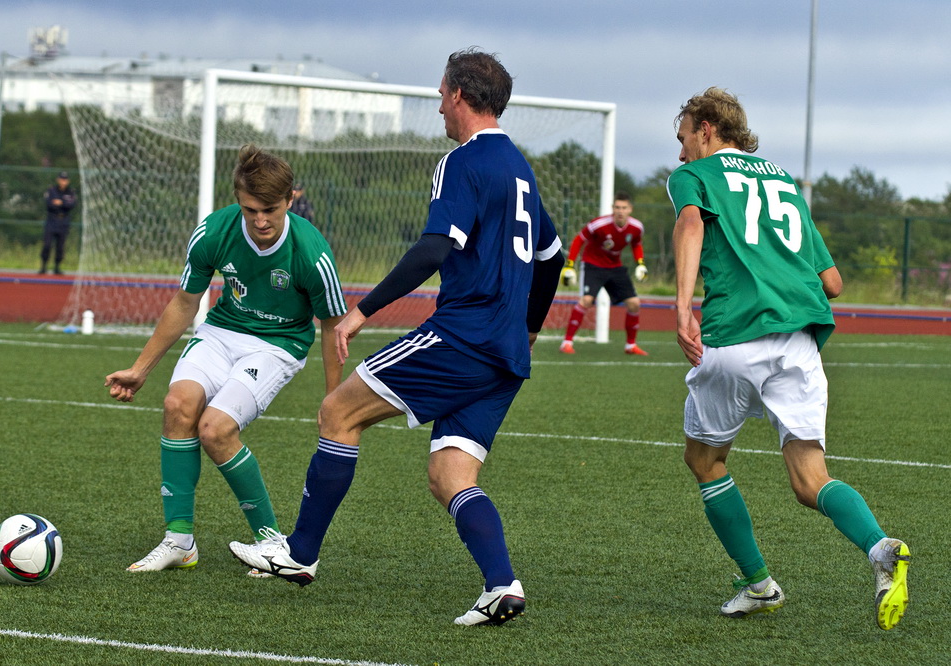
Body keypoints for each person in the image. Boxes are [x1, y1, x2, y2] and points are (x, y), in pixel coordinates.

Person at [229, 48, 565, 626]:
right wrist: (529, 328)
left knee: (338, 411)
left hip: (463, 336)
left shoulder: (461, 162)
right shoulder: (520, 168)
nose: (438, 105)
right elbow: (553, 256)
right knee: (449, 477)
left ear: (459, 95)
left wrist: (363, 311)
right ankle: (502, 585)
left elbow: (437, 248)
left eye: (440, 93)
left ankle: (299, 554)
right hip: (505, 352)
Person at [669, 87, 910, 629]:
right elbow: (833, 282)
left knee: (705, 461)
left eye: (683, 137)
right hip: (800, 342)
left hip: (734, 336)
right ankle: (879, 548)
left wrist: (684, 308)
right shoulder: (781, 180)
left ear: (706, 127)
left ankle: (759, 585)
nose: (681, 152)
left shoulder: (696, 176)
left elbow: (689, 224)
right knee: (810, 481)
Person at [104, 144, 347, 576]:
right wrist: (140, 369)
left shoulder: (311, 251)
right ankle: (179, 541)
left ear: (291, 199)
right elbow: (184, 302)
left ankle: (272, 543)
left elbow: (332, 326)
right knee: (177, 405)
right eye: (250, 209)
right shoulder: (214, 232)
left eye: (270, 209)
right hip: (220, 333)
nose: (260, 220)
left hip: (278, 345)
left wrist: (334, 401)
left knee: (215, 429)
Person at [559, 192, 649, 356]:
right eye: (617, 207)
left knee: (634, 303)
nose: (620, 211)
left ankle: (630, 346)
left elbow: (636, 244)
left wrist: (640, 263)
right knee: (586, 300)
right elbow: (579, 239)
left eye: (624, 207)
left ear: (630, 209)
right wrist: (570, 265)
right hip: (593, 265)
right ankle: (567, 342)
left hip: (615, 267)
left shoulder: (636, 227)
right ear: (612, 208)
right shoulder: (599, 224)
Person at [40, 171, 77, 275]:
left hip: (63, 221)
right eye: (61, 179)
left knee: (60, 246)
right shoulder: (52, 190)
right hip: (52, 220)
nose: (63, 182)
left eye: (65, 180)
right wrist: (62, 204)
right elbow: (49, 204)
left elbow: (72, 204)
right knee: (47, 244)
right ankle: (43, 266)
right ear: (58, 179)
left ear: (68, 181)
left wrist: (61, 202)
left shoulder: (71, 192)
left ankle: (57, 267)